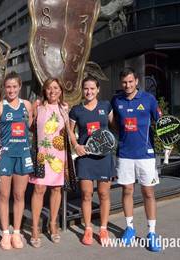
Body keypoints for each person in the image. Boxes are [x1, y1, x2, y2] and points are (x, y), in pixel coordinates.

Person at [111, 67, 162, 252]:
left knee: (148, 193)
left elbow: (161, 122)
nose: (128, 85)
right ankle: (130, 228)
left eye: (131, 81)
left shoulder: (149, 99)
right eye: (124, 82)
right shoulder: (116, 100)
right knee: (127, 191)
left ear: (137, 81)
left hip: (146, 155)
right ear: (121, 83)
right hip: (125, 154)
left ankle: (152, 233)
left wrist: (168, 140)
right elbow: (114, 123)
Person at [0, 71, 33, 250]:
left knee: (19, 195)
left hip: (23, 154)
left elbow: (32, 128)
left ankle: (17, 232)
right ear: (4, 88)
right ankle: (5, 233)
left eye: (15, 86)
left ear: (20, 87)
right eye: (8, 87)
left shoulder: (27, 105)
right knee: (4, 195)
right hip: (5, 156)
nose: (11, 90)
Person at [68, 76, 115, 246]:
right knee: (87, 194)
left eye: (92, 89)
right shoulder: (76, 110)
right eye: (86, 88)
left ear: (98, 89)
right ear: (82, 89)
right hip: (86, 157)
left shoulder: (105, 106)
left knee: (103, 194)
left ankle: (103, 228)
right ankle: (88, 229)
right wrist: (76, 145)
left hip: (104, 157)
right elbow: (70, 131)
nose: (89, 92)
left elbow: (115, 126)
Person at [29, 78, 69, 248]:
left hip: (59, 154)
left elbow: (68, 133)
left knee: (56, 189)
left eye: (56, 88)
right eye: (49, 88)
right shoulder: (37, 106)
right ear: (44, 90)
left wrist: (68, 158)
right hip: (41, 153)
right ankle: (34, 228)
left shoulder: (64, 108)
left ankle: (53, 224)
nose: (52, 91)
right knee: (39, 189)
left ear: (60, 90)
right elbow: (30, 127)